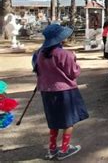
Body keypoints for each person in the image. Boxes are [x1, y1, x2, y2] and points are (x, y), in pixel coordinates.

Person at [34, 24, 88, 160]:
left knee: (53, 121)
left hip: (47, 91)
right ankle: (64, 149)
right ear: (60, 39)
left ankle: (52, 148)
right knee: (68, 121)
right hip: (64, 91)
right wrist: (75, 60)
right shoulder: (64, 54)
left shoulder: (39, 53)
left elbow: (37, 70)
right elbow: (73, 73)